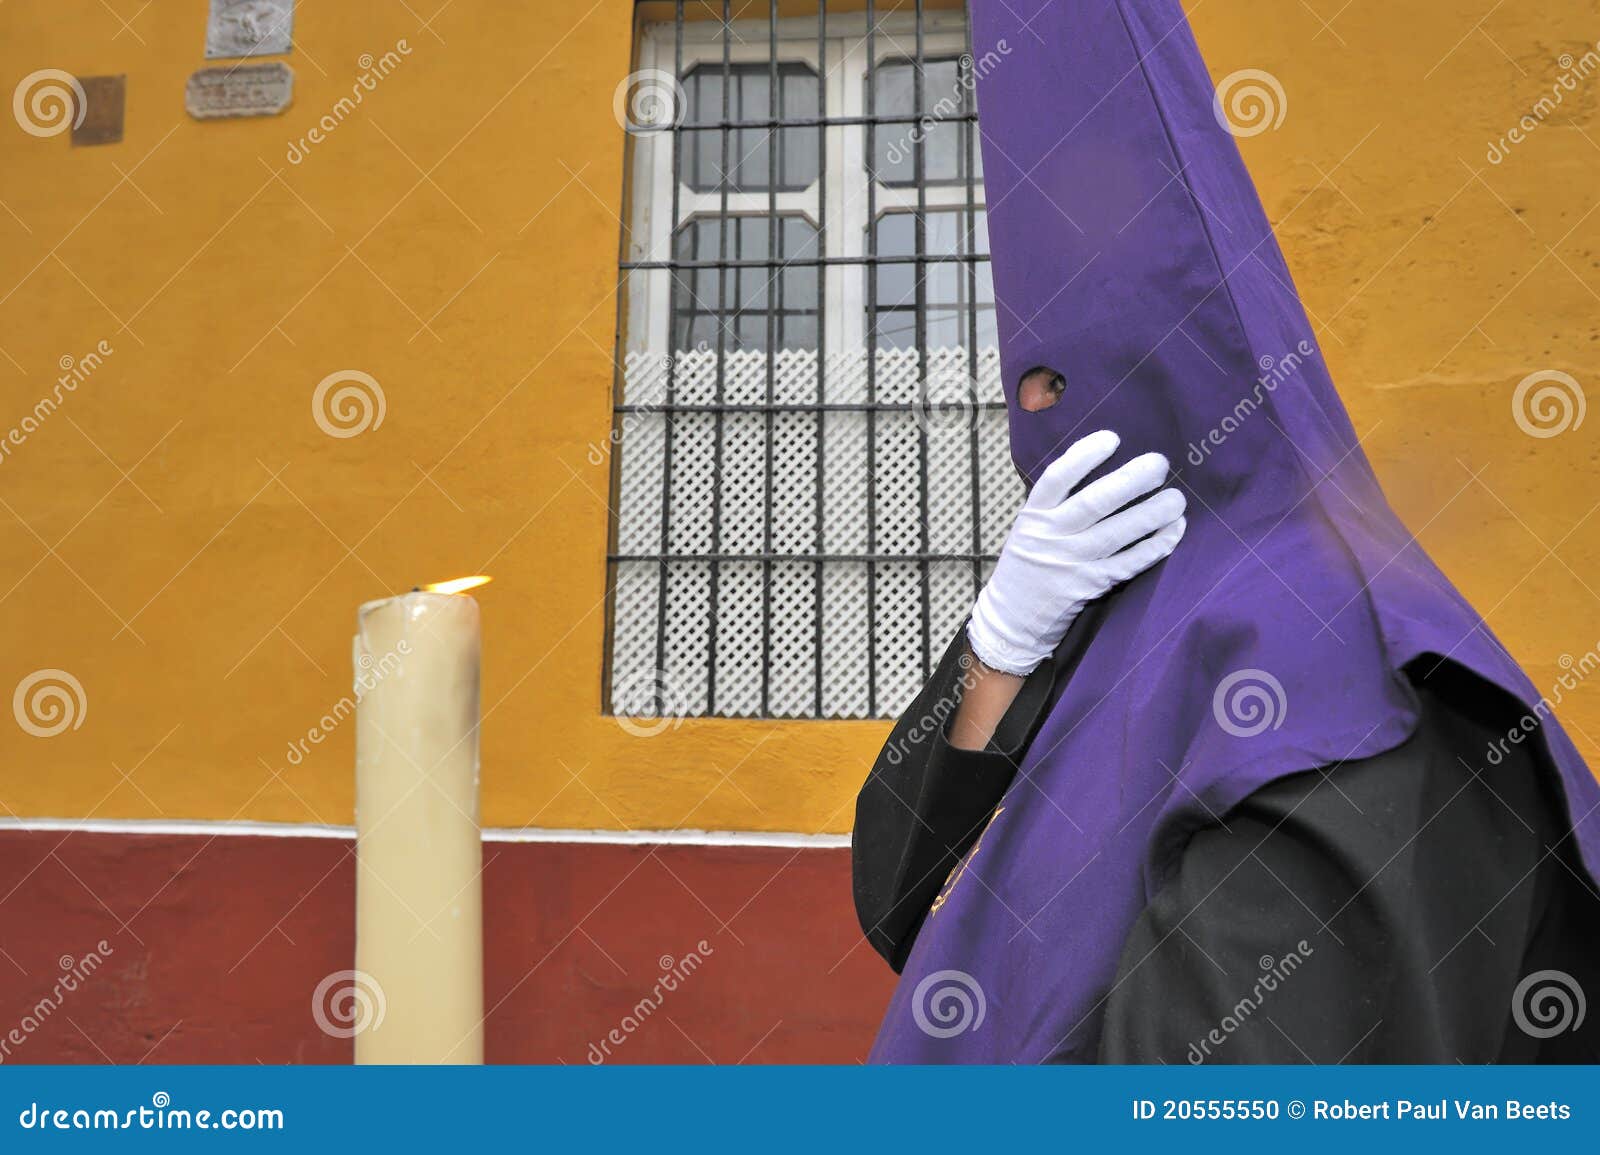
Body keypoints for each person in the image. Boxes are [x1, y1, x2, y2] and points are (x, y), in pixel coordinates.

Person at [852, 0, 1600, 1064]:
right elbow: (896, 886)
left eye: (1067, 380)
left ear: (1194, 376)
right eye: (1025, 388)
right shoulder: (1115, 600)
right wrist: (998, 646)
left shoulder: (1336, 686)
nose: (1041, 422)